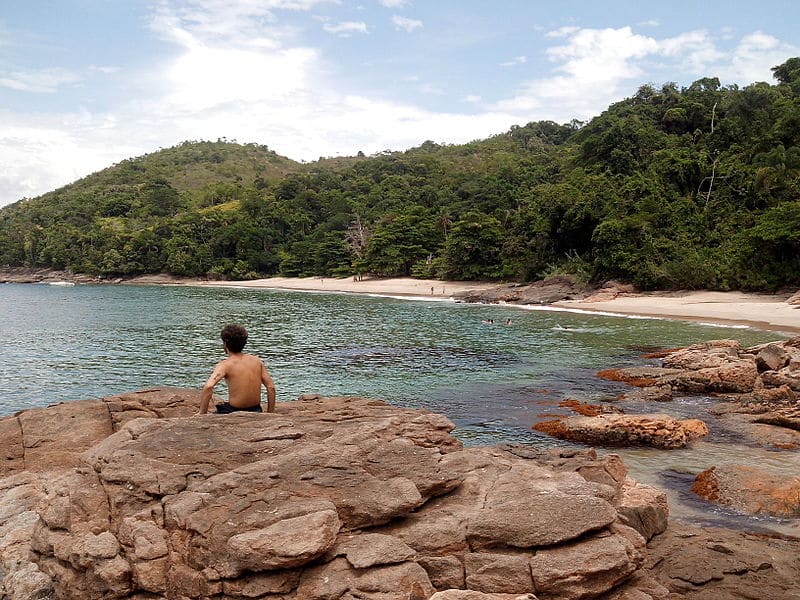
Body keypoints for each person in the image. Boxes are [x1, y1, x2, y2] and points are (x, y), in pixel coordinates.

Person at [198, 324, 276, 414]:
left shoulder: (225, 365)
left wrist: (202, 413)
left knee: (218, 405)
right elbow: (271, 387)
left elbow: (209, 386)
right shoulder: (257, 361)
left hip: (233, 410)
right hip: (256, 409)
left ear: (225, 344)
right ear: (244, 343)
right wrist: (270, 413)